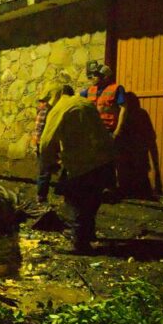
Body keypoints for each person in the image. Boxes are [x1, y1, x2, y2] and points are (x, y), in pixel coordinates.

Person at [39, 82, 116, 254]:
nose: (47, 104)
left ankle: (79, 243)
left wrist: (49, 163)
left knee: (76, 202)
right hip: (104, 162)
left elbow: (46, 142)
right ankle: (88, 234)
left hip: (81, 164)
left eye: (48, 100)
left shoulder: (59, 109)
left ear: (54, 95)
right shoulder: (85, 102)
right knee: (92, 201)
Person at [80, 61, 128, 139]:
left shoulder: (116, 89)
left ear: (105, 77)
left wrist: (118, 130)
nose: (93, 77)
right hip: (93, 131)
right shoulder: (89, 90)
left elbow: (124, 108)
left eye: (96, 75)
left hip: (109, 131)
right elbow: (78, 101)